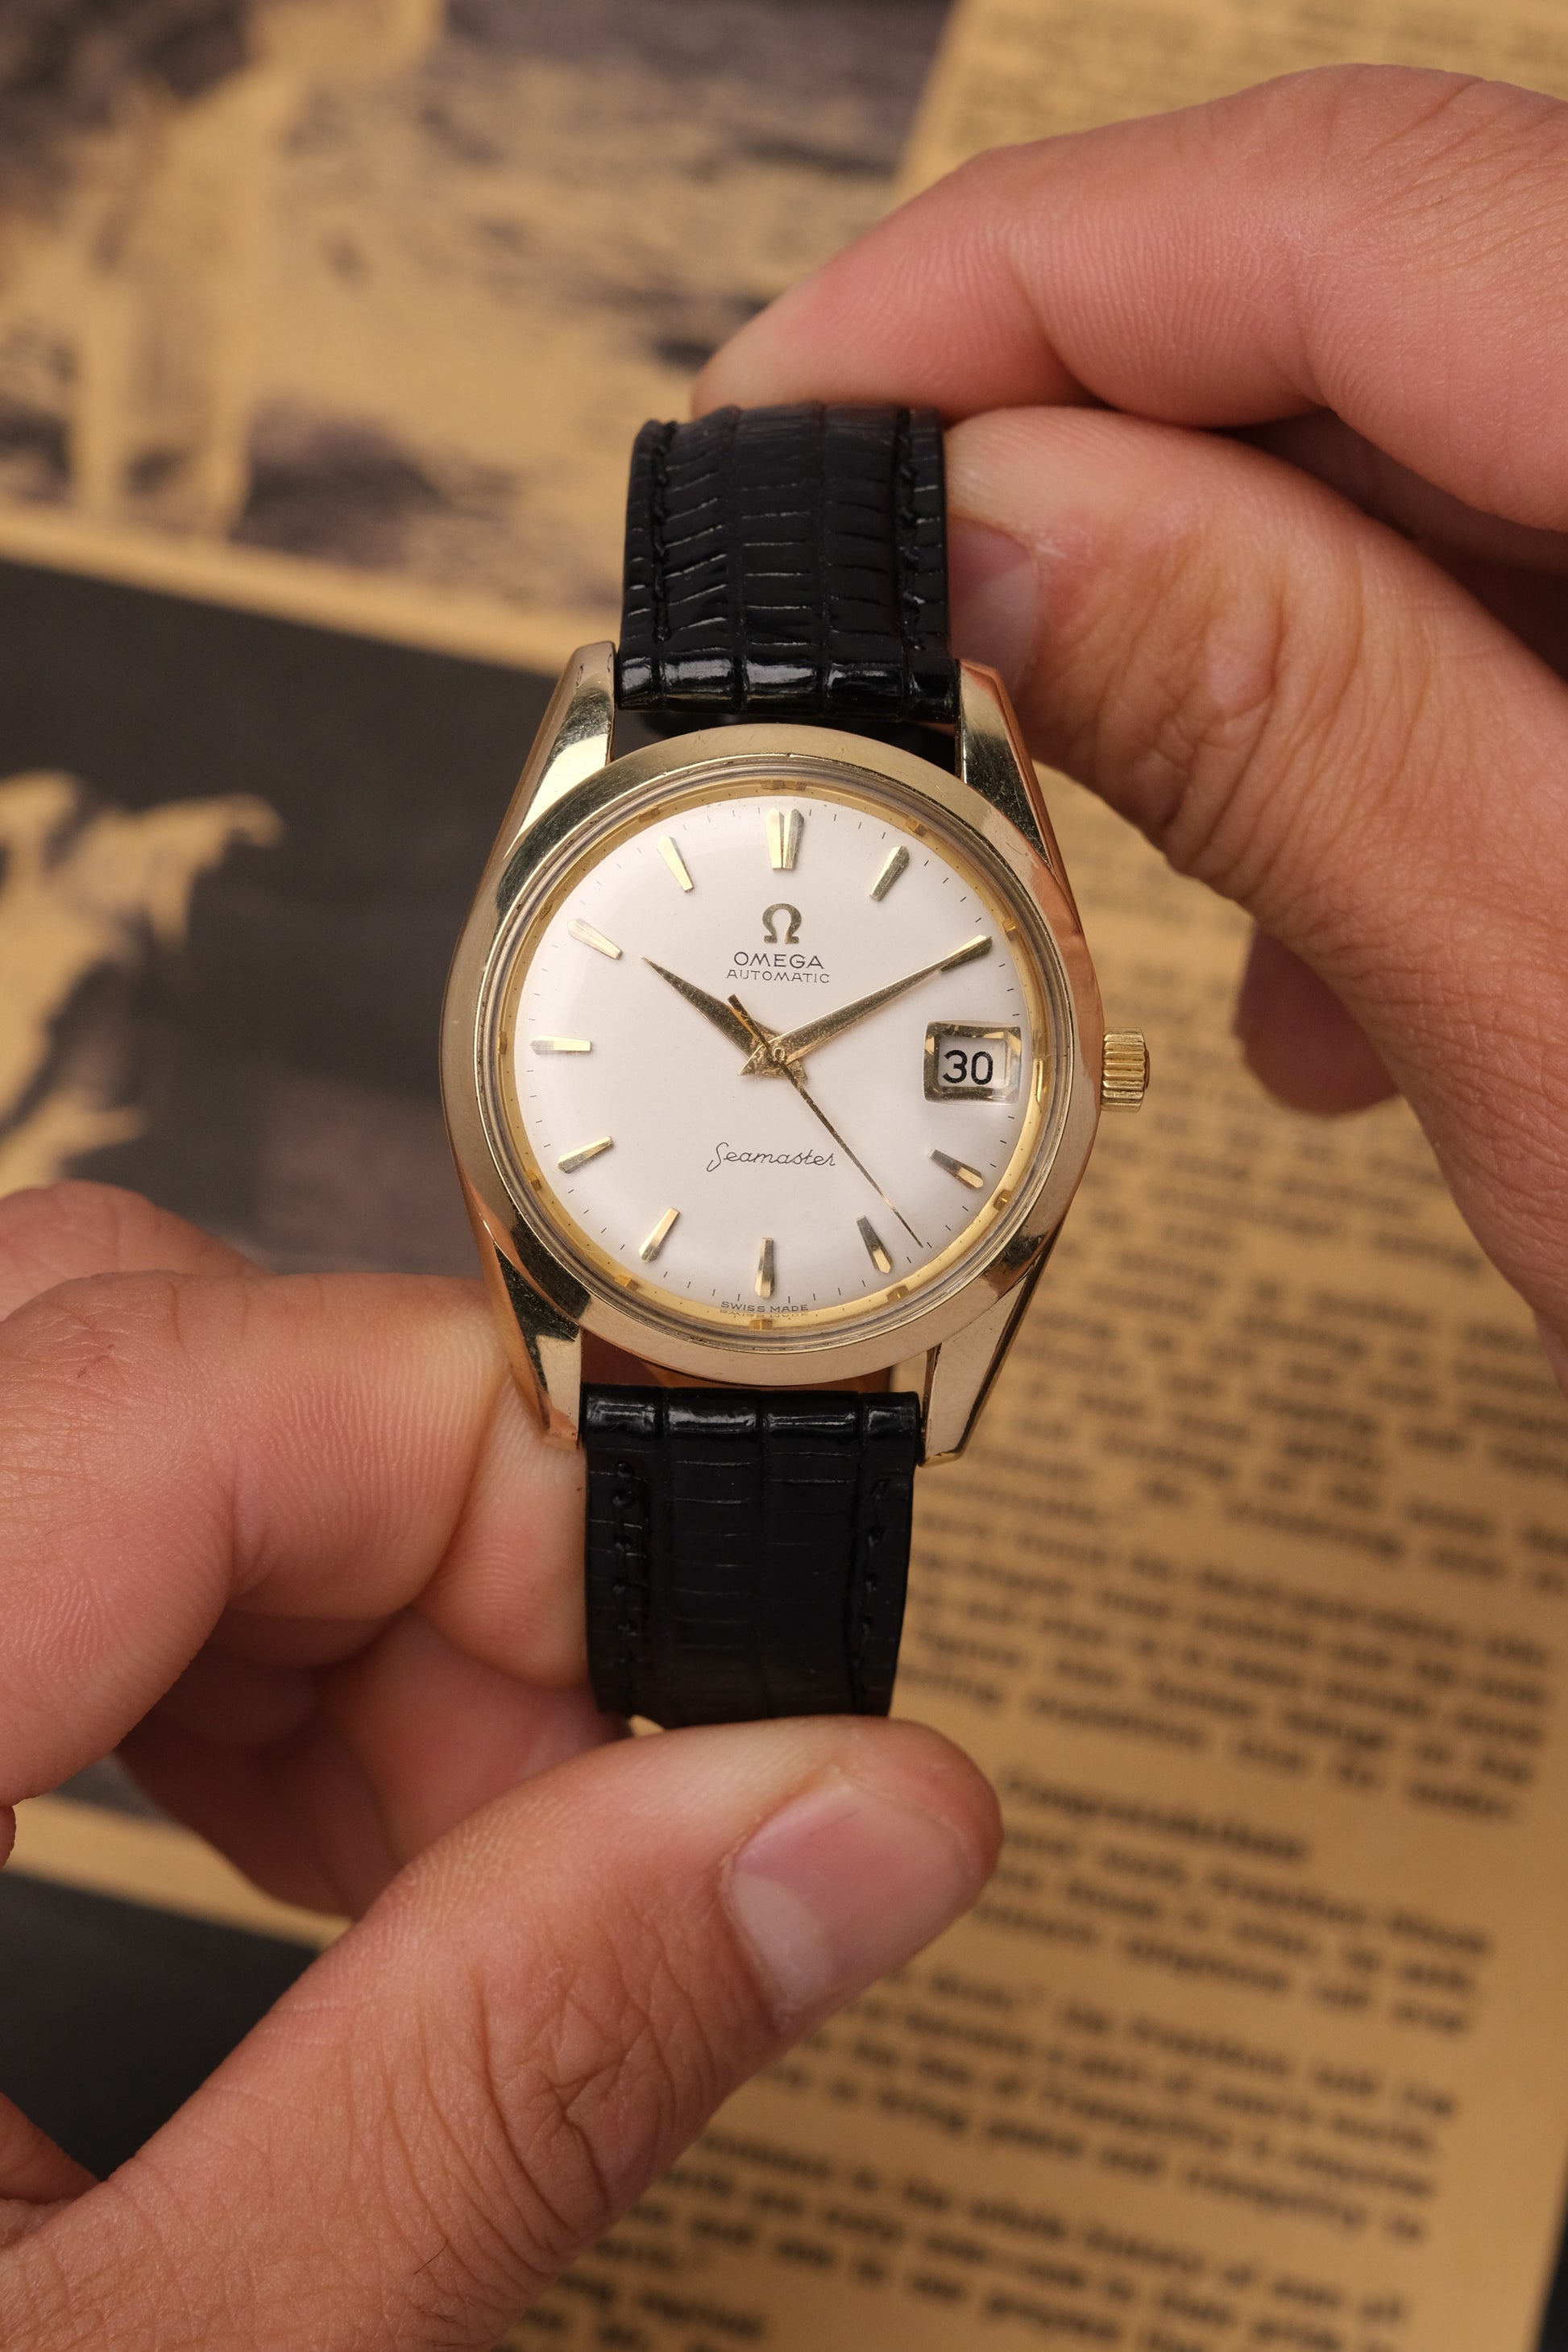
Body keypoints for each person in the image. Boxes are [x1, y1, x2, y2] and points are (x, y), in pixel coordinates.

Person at [2, 60, 1564, 2349]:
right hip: (709, 1282)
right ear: (503, 1039)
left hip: (792, 1272)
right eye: (737, 1033)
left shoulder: (771, 936)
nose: (763, 1060)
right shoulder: (631, 883)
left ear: (1068, 1073)